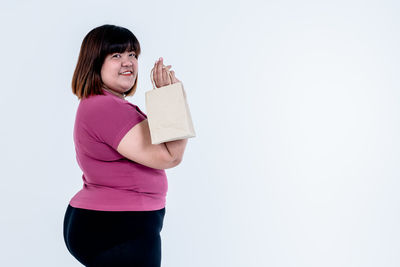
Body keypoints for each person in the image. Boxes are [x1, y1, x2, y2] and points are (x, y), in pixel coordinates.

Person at [63, 24, 188, 267]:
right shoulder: (105, 107)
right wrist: (171, 96)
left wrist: (169, 98)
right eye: (116, 55)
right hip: (119, 226)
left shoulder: (103, 103)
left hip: (115, 223)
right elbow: (170, 156)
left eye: (132, 54)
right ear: (95, 62)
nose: (128, 62)